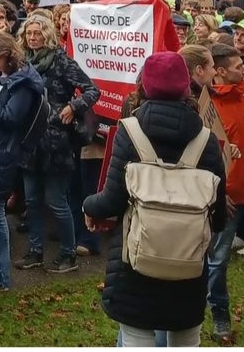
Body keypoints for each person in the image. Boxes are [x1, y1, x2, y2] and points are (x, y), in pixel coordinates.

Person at [83, 52, 227, 347]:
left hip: (137, 263)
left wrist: (88, 206)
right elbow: (220, 214)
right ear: (186, 87)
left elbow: (111, 200)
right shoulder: (206, 140)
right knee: (186, 338)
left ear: (144, 87)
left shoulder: (129, 133)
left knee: (137, 337)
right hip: (189, 265)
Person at [15, 14, 98, 275]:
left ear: (48, 34)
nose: (33, 37)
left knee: (56, 200)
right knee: (31, 200)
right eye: (29, 33)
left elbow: (91, 90)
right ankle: (35, 251)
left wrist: (73, 106)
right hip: (29, 140)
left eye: (38, 33)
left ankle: (68, 253)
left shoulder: (61, 61)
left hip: (56, 142)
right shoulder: (22, 62)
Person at [0, 31, 45, 294]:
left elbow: (9, 116)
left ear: (7, 56)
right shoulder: (3, 78)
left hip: (4, 154)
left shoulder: (23, 85)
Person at [204, 43, 244, 343]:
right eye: (238, 66)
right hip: (230, 199)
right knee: (218, 260)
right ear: (220, 72)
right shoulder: (206, 106)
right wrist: (219, 195)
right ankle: (218, 314)